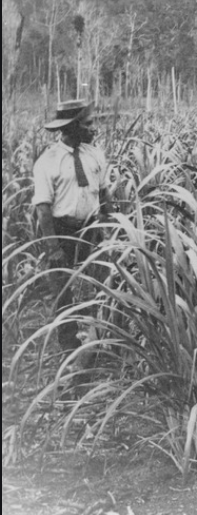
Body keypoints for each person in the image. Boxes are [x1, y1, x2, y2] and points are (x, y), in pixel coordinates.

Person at [32, 99, 109, 354]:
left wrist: (112, 227)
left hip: (92, 229)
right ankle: (69, 347)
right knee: (62, 290)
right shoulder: (48, 161)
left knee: (103, 282)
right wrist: (53, 247)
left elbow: (104, 194)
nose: (93, 128)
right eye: (88, 124)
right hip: (62, 231)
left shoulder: (95, 155)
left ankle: (98, 340)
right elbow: (43, 208)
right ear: (72, 127)